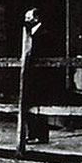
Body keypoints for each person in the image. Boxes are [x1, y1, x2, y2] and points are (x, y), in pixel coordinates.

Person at [23, 8, 50, 144]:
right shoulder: (28, 35)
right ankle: (33, 134)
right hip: (31, 76)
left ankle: (41, 135)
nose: (26, 21)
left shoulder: (43, 35)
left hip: (40, 77)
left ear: (36, 19)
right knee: (29, 104)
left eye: (29, 18)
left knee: (39, 105)